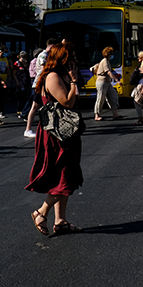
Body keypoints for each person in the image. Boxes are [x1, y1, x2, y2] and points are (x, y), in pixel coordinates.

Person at [27, 42, 84, 237]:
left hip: (64, 133)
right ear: (63, 60)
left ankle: (60, 221)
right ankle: (41, 212)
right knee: (66, 176)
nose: (75, 61)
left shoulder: (60, 76)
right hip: (56, 135)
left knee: (64, 176)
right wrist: (74, 82)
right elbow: (67, 102)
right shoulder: (52, 77)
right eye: (72, 58)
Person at [24, 39, 59, 138]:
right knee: (35, 106)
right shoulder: (43, 55)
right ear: (52, 46)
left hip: (44, 84)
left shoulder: (48, 55)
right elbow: (44, 70)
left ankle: (48, 127)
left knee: (46, 106)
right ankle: (28, 129)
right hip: (40, 84)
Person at [92, 46, 122, 120]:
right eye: (111, 54)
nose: (112, 55)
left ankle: (115, 114)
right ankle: (97, 115)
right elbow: (109, 72)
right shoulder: (104, 61)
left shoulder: (107, 61)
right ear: (108, 54)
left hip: (107, 82)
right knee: (100, 98)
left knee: (113, 96)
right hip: (102, 82)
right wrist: (117, 80)